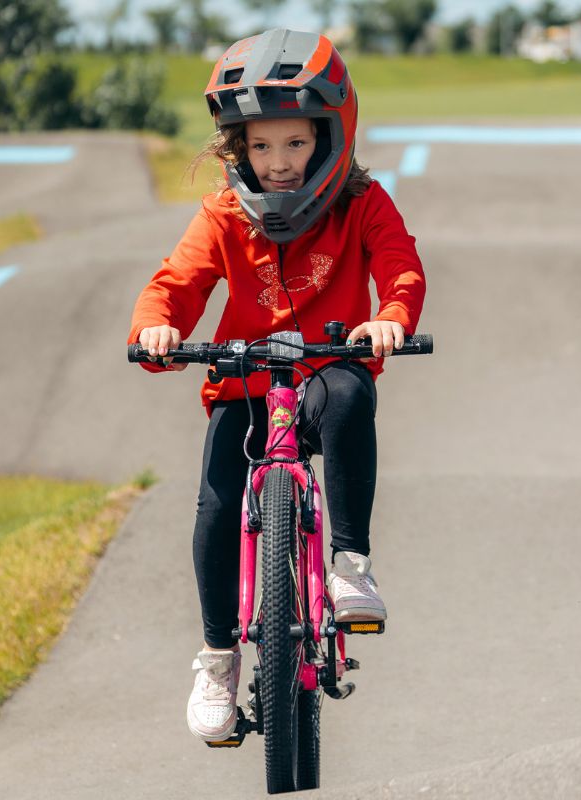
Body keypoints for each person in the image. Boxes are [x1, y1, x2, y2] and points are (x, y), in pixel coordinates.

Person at [127, 28, 426, 743]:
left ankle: (350, 565)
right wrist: (156, 329)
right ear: (239, 149)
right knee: (217, 504)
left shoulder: (362, 203)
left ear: (329, 135)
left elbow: (401, 266)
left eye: (295, 143)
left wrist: (389, 317)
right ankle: (220, 657)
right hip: (246, 385)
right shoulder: (225, 216)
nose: (279, 162)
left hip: (326, 373)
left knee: (353, 397)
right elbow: (174, 286)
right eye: (261, 147)